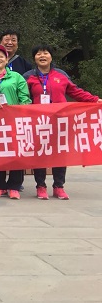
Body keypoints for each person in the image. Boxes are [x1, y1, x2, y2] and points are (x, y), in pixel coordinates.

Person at [24, 44, 101, 200]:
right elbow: (22, 97)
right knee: (40, 154)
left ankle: (59, 186)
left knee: (60, 154)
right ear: (34, 58)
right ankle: (40, 186)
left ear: (51, 57)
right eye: (38, 54)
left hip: (60, 121)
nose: (42, 56)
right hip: (38, 122)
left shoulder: (61, 74)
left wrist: (94, 100)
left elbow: (75, 91)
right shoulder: (28, 76)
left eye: (45, 53)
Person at [0, 44, 32, 200]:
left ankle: (14, 186)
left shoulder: (16, 77)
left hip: (14, 121)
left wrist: (21, 113)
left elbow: (25, 98)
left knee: (15, 154)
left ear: (6, 60)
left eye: (1, 56)